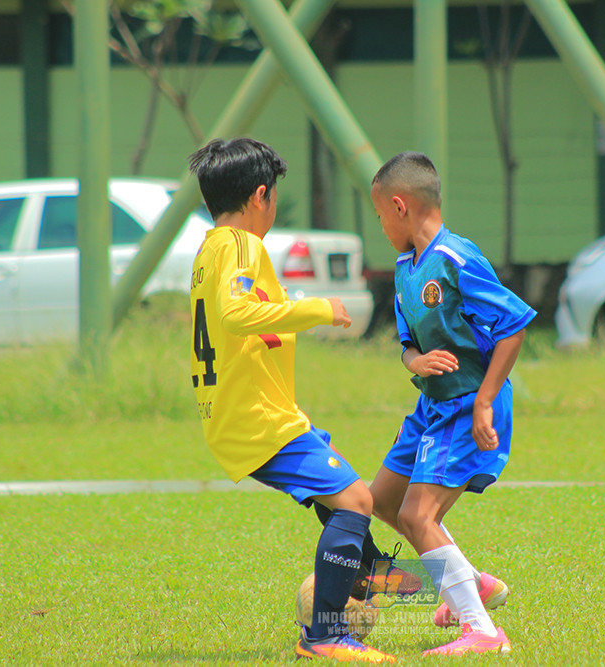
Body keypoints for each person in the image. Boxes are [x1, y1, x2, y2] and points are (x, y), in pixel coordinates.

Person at [187, 137, 395, 663]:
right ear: (261, 195)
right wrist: (318, 309)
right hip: (257, 421)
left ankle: (371, 574)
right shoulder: (242, 246)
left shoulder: (210, 250)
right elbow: (236, 315)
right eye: (274, 195)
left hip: (254, 416)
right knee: (355, 500)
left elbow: (249, 318)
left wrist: (292, 311)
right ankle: (324, 635)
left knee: (341, 495)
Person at [368, 151, 536, 656]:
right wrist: (414, 362)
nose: (381, 227)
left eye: (379, 216)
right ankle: (469, 580)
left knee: (420, 518)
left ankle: (481, 630)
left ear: (399, 206)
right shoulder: (404, 269)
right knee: (383, 500)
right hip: (430, 409)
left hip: (466, 405)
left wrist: (485, 402)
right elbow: (407, 346)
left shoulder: (457, 258)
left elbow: (514, 326)